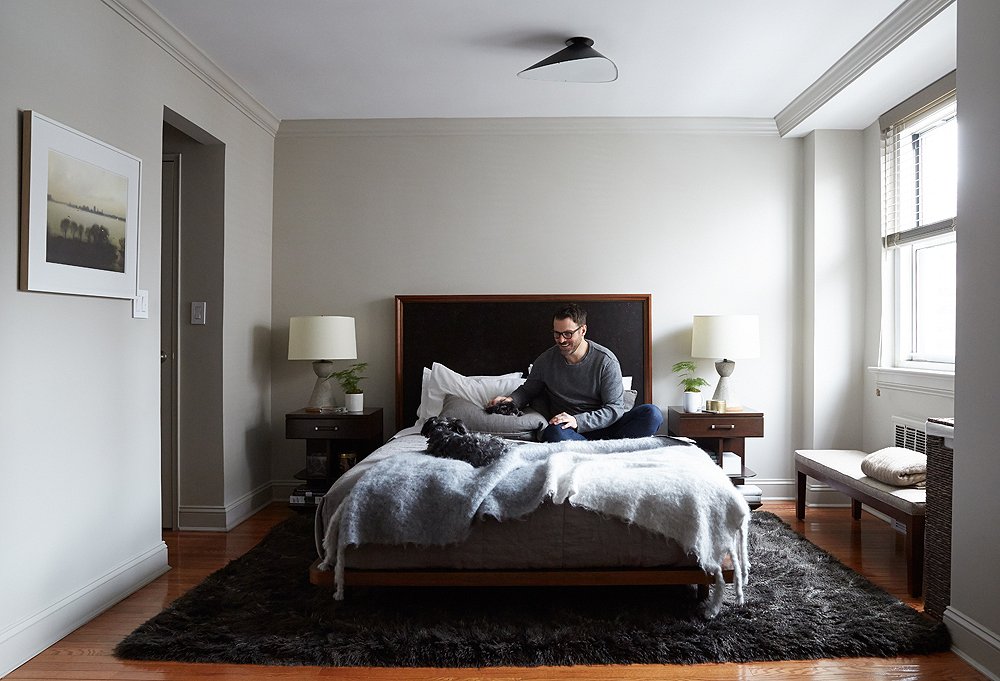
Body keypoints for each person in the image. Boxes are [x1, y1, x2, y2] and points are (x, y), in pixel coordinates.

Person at [488, 303, 664, 442]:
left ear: (583, 330)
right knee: (552, 433)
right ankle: (606, 451)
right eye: (557, 334)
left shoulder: (605, 361)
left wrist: (578, 421)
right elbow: (528, 391)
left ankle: (595, 450)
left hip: (609, 429)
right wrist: (510, 400)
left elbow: (614, 408)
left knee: (652, 414)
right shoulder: (545, 360)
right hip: (568, 432)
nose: (561, 340)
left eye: (567, 334)